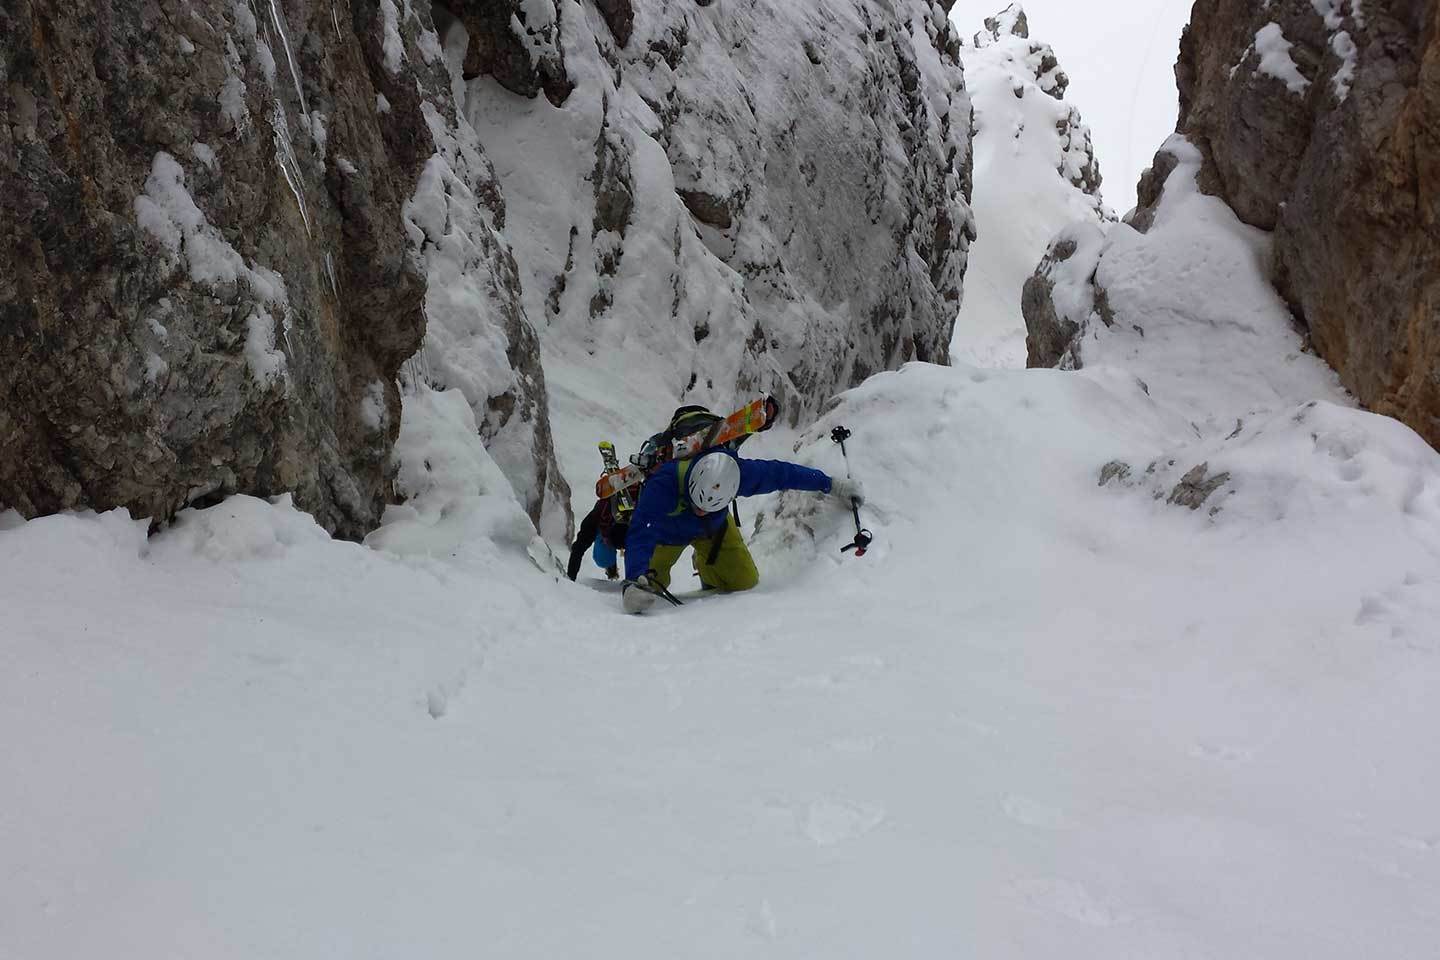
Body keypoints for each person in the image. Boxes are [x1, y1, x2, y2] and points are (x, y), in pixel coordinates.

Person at [620, 448, 863, 613]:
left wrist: (832, 485)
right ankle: (649, 579)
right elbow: (642, 530)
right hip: (666, 535)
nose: (700, 510)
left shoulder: (738, 475)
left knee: (744, 582)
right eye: (697, 504)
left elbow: (783, 474)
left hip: (712, 530)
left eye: (708, 506)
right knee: (650, 592)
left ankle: (706, 563)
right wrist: (633, 579)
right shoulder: (663, 483)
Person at [567, 495, 630, 581]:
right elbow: (579, 547)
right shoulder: (598, 516)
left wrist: (570, 577)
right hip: (612, 526)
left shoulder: (600, 514)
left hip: (614, 527)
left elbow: (578, 548)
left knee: (603, 558)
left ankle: (615, 571)